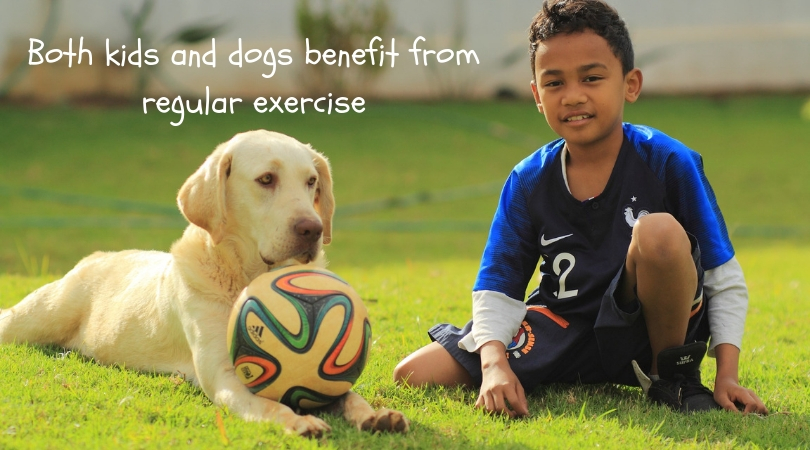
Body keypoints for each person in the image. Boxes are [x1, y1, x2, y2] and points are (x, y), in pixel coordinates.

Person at [393, 0, 769, 416]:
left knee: (658, 231)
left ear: (630, 84)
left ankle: (672, 381)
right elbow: (498, 286)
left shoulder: (667, 161)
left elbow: (722, 274)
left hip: (649, 333)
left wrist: (727, 375)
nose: (573, 96)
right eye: (554, 83)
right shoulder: (528, 179)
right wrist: (495, 364)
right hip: (564, 326)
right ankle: (572, 368)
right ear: (537, 95)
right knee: (413, 372)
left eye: (591, 78)